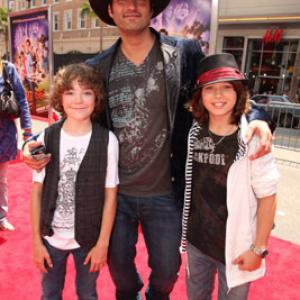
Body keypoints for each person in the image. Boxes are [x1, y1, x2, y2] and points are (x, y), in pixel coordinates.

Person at [23, 1, 273, 299]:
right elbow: (73, 117)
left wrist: (258, 119)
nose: (132, 6)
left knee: (168, 270)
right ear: (111, 11)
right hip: (116, 194)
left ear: (152, 7)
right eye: (122, 0)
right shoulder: (98, 66)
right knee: (120, 272)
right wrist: (33, 141)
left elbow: (221, 88)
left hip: (166, 192)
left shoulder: (183, 53)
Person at [180, 53, 280, 299]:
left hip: (237, 245)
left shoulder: (253, 138)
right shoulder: (193, 131)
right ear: (200, 96)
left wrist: (258, 248)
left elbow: (268, 195)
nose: (218, 95)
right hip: (197, 241)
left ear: (238, 92)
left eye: (226, 87)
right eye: (210, 88)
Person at [30, 63, 119, 299]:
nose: (78, 100)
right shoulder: (45, 137)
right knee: (50, 293)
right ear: (60, 97)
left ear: (96, 97)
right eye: (70, 92)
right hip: (50, 237)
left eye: (86, 92)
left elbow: (110, 195)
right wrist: (36, 243)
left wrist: (103, 244)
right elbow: (36, 192)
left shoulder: (108, 140)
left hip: (89, 240)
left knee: (88, 293)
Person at [0, 59, 32, 231]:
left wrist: (27, 131)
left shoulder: (6, 68)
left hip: (3, 135)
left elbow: (21, 99)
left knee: (1, 180)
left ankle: (1, 217)